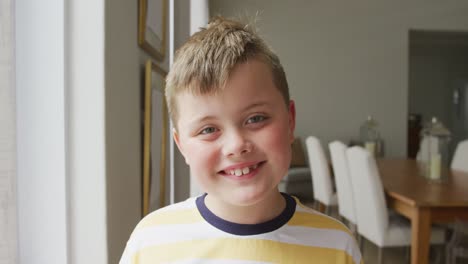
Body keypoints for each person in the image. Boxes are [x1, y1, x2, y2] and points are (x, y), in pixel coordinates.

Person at [120, 16, 362, 264]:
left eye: (256, 118)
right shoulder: (150, 243)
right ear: (181, 145)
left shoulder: (337, 245)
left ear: (290, 121)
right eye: (207, 130)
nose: (236, 145)